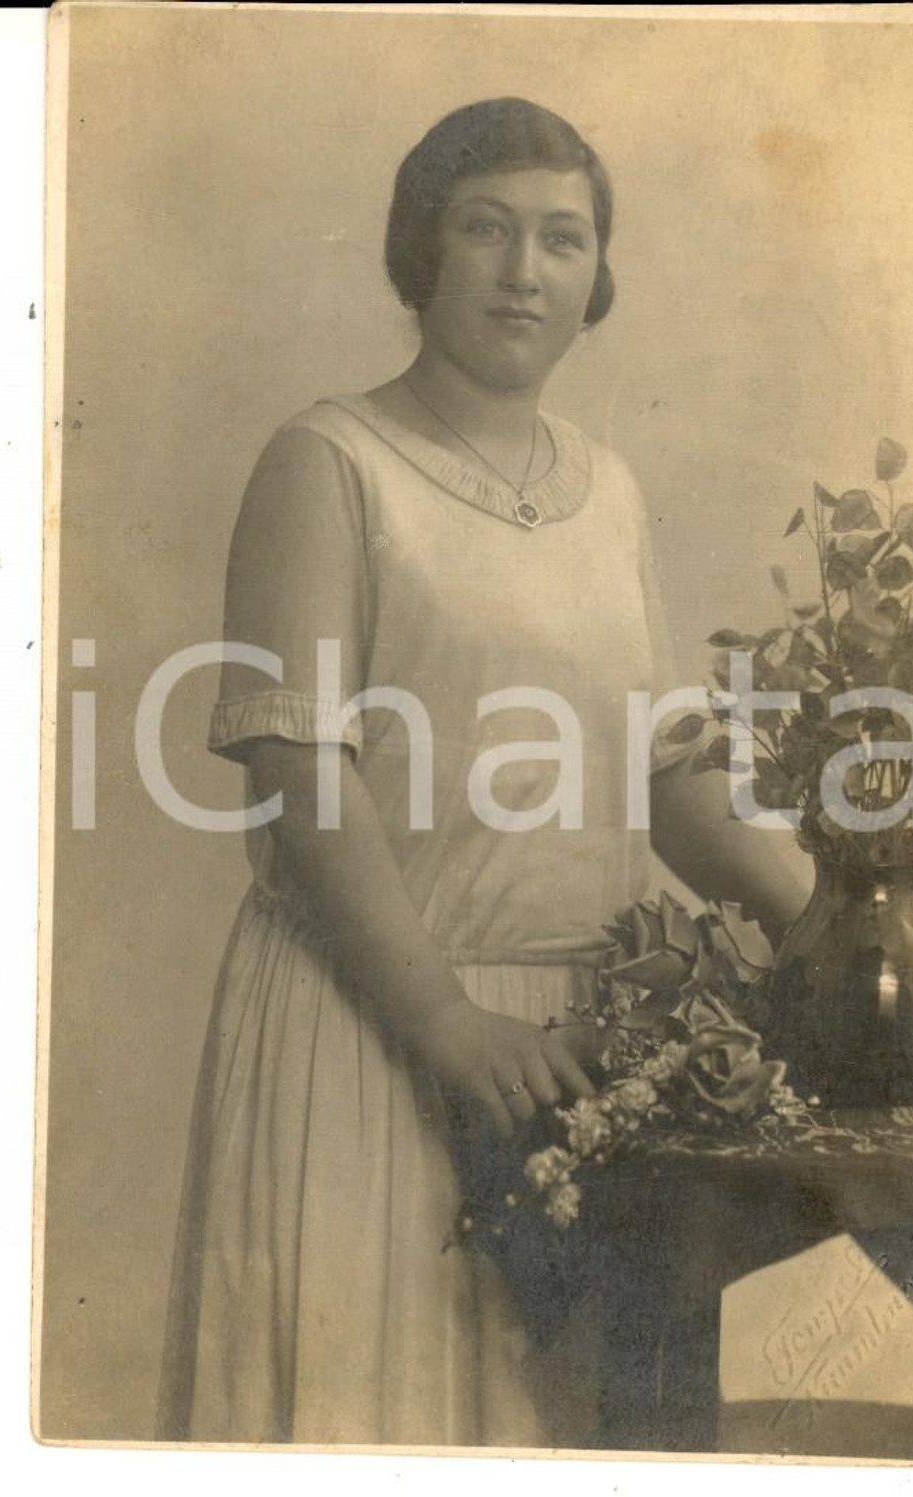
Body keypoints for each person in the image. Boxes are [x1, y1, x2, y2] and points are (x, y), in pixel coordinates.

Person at [156, 97, 812, 1449]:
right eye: (486, 229)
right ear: (421, 252)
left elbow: (663, 766)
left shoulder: (609, 490)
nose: (525, 272)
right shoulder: (329, 462)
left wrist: (834, 921)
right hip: (379, 1021)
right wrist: (444, 1017)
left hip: (573, 1053)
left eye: (563, 239)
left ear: (597, 274)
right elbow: (298, 769)